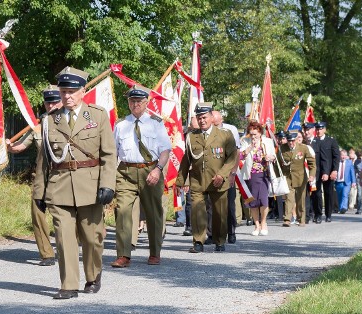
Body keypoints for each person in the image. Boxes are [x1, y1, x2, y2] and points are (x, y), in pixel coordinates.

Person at [32, 67, 116, 299]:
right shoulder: (50, 120)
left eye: (72, 91)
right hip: (59, 187)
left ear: (83, 91)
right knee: (63, 237)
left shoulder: (97, 116)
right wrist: (39, 192)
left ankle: (93, 274)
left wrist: (108, 184)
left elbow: (109, 154)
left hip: (91, 186)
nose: (67, 96)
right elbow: (44, 161)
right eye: (63, 91)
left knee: (92, 237)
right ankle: (68, 284)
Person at [111, 85, 171, 267]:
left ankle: (154, 252)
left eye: (139, 101)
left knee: (153, 213)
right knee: (122, 211)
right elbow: (113, 152)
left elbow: (165, 150)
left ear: (146, 102)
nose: (135, 104)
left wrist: (158, 169)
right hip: (125, 172)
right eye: (132, 101)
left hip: (150, 170)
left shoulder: (156, 123)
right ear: (128, 103)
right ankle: (123, 254)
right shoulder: (121, 125)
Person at [7, 85, 63, 266]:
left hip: (63, 173)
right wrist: (8, 146)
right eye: (48, 102)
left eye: (55, 101)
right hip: (42, 173)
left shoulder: (69, 122)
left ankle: (64, 249)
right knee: (37, 211)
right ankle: (47, 253)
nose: (52, 105)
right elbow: (20, 147)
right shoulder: (38, 127)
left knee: (63, 214)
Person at [176, 102, 237, 252]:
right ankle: (198, 241)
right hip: (197, 180)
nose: (202, 120)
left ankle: (219, 240)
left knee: (219, 212)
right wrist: (180, 181)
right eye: (199, 118)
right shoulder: (191, 137)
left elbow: (232, 157)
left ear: (211, 117)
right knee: (197, 211)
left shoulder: (225, 135)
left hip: (217, 180)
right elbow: (186, 160)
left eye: (204, 117)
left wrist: (222, 175)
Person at [239, 120, 276, 236]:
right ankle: (256, 225)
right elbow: (240, 155)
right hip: (251, 174)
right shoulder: (245, 141)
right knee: (253, 201)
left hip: (264, 173)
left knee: (264, 200)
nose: (253, 136)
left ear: (260, 132)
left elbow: (274, 156)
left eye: (255, 134)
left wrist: (271, 157)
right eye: (251, 134)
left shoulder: (268, 141)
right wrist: (250, 147)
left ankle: (264, 222)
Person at [211, 110, 240, 244]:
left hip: (228, 172)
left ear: (221, 120)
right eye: (213, 123)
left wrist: (233, 173)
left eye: (217, 123)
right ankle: (211, 234)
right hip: (212, 173)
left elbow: (236, 153)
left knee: (229, 204)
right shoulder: (208, 131)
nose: (215, 125)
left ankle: (231, 231)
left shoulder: (230, 130)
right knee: (210, 206)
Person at [277, 132, 316, 227]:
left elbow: (312, 163)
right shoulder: (282, 148)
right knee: (289, 198)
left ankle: (301, 219)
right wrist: (278, 176)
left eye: (293, 141)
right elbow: (277, 163)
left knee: (300, 199)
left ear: (296, 140)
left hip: (300, 177)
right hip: (288, 177)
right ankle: (287, 219)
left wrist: (311, 175)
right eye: (289, 141)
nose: (291, 143)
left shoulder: (303, 148)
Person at [310, 121, 339, 223]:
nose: (319, 131)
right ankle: (318, 214)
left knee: (328, 193)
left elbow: (336, 157)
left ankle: (328, 214)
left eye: (321, 129)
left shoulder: (331, 141)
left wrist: (334, 170)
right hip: (317, 172)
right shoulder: (313, 141)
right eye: (317, 129)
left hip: (329, 171)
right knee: (316, 194)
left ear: (325, 129)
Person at [335, 149, 357, 214]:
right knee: (339, 195)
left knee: (345, 194)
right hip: (338, 181)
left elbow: (352, 172)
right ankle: (340, 207)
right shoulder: (336, 162)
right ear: (339, 155)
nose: (343, 157)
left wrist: (353, 182)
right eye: (342, 155)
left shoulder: (349, 162)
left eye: (344, 155)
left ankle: (343, 208)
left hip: (347, 182)